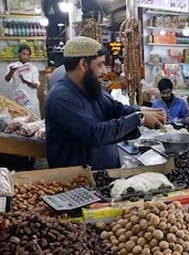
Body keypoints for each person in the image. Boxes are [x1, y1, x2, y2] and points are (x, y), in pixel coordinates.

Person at [45, 36, 166, 170]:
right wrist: (140, 119)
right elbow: (94, 133)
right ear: (83, 64)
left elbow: (115, 109)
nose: (104, 71)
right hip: (76, 179)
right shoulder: (60, 97)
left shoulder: (90, 87)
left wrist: (144, 110)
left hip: (104, 171)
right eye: (100, 64)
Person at [5, 44, 41, 117]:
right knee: (19, 122)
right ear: (19, 54)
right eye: (23, 54)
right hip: (18, 99)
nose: (25, 56)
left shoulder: (33, 68)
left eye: (27, 55)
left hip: (31, 100)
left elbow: (36, 85)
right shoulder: (13, 66)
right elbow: (7, 79)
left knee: (33, 121)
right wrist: (12, 71)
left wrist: (25, 81)